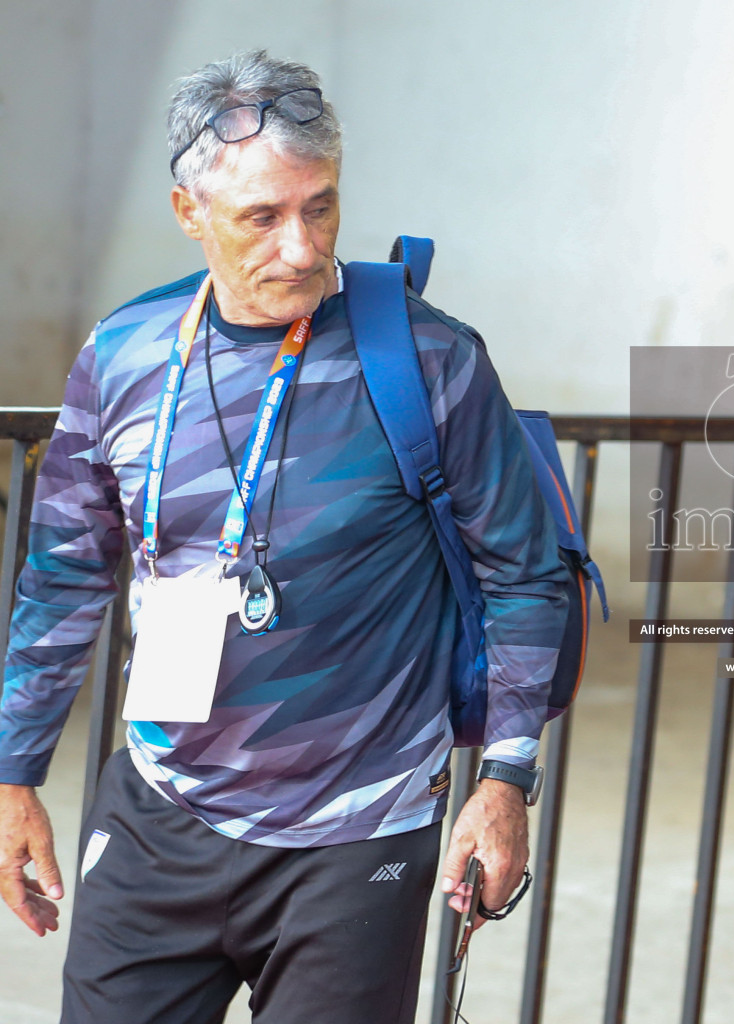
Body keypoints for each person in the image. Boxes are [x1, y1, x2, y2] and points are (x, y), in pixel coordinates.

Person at [0, 50, 568, 1023]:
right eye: (262, 217)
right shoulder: (126, 359)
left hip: (361, 834)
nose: (302, 247)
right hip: (161, 811)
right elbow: (62, 577)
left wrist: (506, 778)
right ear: (190, 214)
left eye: (321, 206)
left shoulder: (431, 361)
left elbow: (525, 574)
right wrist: (13, 773)